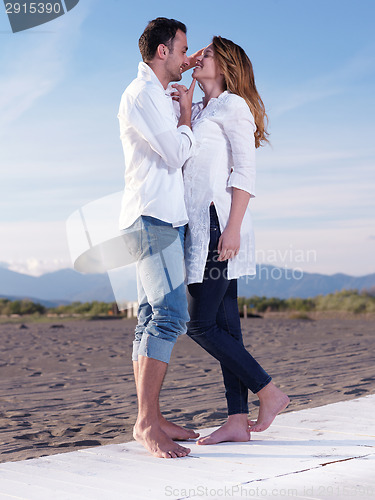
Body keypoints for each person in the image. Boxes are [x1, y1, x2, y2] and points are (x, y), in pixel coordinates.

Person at [182, 36, 290, 445]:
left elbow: (244, 172)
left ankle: (268, 391)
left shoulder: (234, 106)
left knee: (200, 323)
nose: (198, 58)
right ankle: (236, 419)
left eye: (206, 53)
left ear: (225, 66)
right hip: (197, 225)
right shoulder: (197, 108)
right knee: (227, 325)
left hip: (218, 224)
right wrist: (184, 90)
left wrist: (233, 228)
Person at [118, 18, 200, 458]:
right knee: (170, 315)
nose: (188, 58)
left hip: (162, 218)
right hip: (153, 219)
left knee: (151, 315)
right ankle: (146, 421)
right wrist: (186, 116)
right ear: (163, 51)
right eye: (183, 48)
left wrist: (179, 107)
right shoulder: (141, 95)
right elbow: (175, 154)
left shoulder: (157, 96)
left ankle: (151, 416)